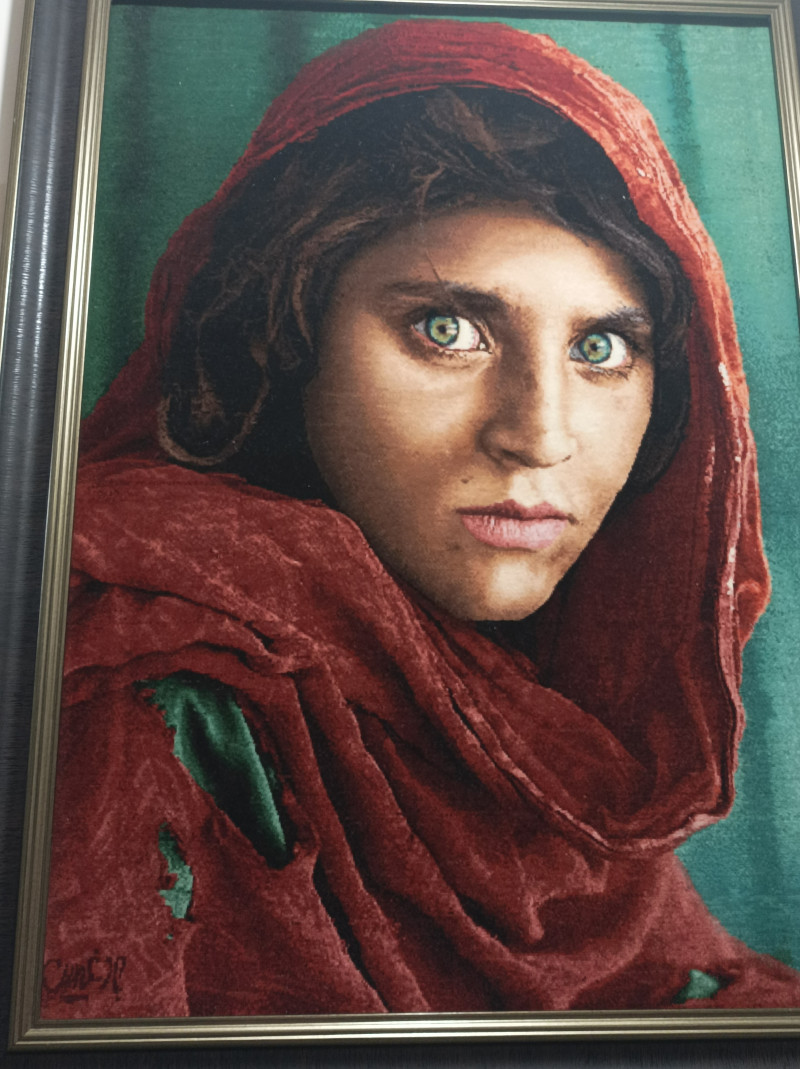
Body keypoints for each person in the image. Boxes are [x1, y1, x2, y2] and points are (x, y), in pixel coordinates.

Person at [42, 19, 800, 1017]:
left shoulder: (524, 714)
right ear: (285, 335)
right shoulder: (152, 682)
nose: (539, 436)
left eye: (602, 349)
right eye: (448, 329)